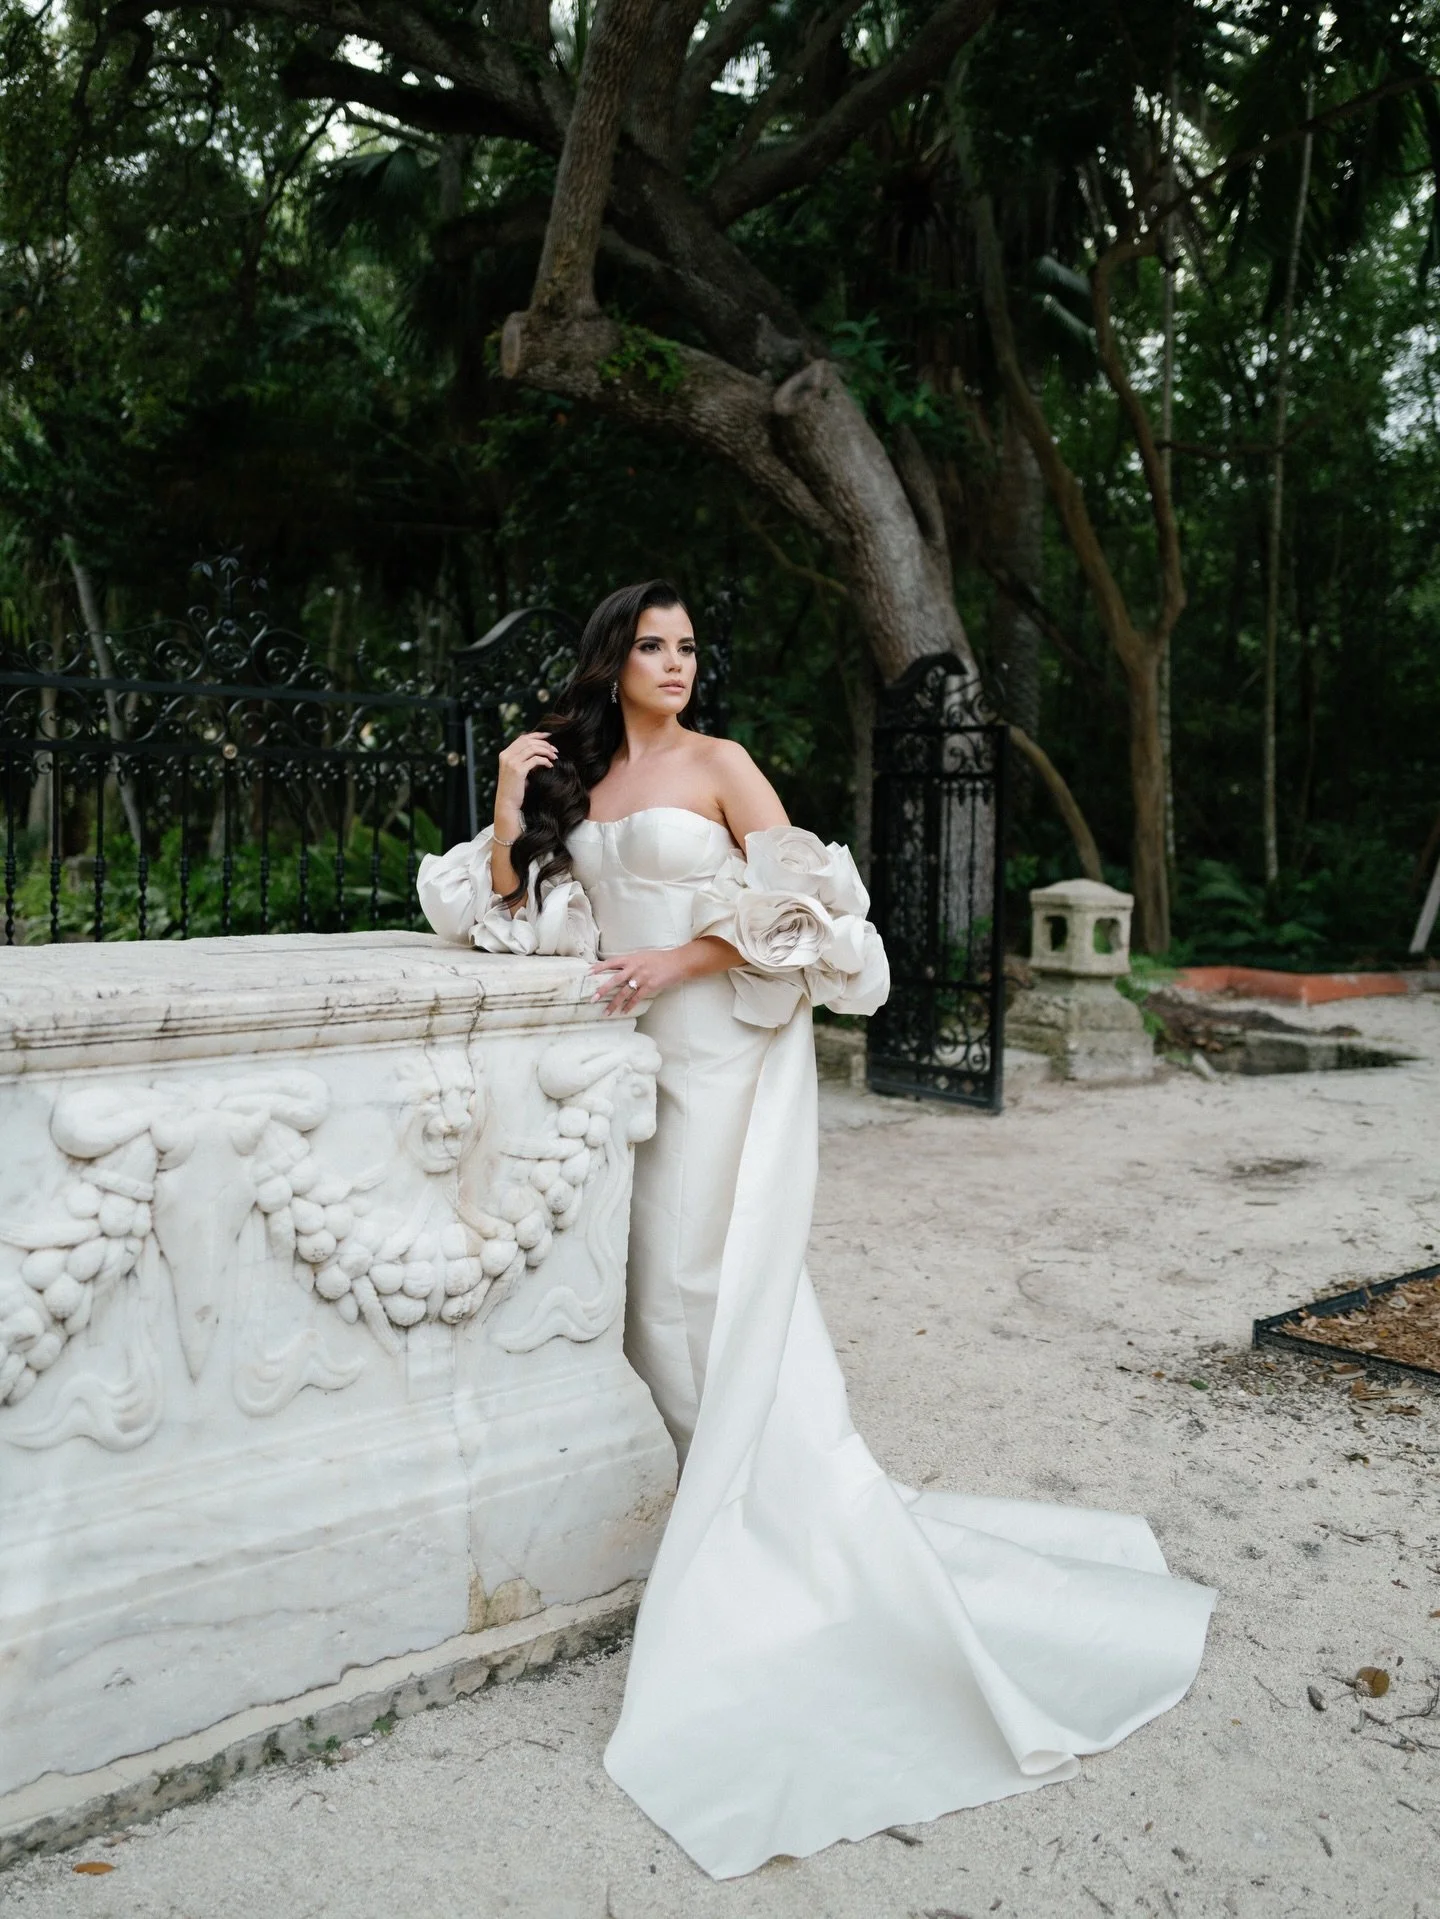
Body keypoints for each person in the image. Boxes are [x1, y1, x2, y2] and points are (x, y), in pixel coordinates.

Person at [416, 580, 1216, 1882]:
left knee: (689, 1296)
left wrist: (685, 958)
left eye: (688, 644)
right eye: (654, 643)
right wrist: (513, 802)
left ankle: (761, 1557)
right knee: (642, 1307)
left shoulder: (725, 763)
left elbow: (817, 918)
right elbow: (498, 908)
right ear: (612, 656)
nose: (677, 662)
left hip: (719, 1061)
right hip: (620, 1073)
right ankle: (741, 1524)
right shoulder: (575, 772)